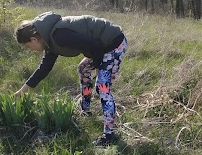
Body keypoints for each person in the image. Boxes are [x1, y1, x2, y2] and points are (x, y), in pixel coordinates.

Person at [14, 11, 128, 146]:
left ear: (33, 39)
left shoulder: (59, 36)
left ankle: (109, 136)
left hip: (113, 43)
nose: (30, 49)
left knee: (102, 87)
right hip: (100, 47)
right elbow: (44, 68)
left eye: (28, 46)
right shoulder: (49, 41)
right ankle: (85, 110)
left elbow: (95, 47)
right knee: (83, 69)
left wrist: (99, 71)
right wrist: (22, 91)